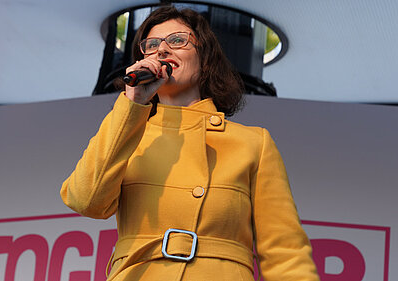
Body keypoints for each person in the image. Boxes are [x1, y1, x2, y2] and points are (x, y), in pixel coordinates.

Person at [61, 6, 319, 281]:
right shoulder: (127, 135)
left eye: (176, 41)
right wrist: (133, 104)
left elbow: (285, 252)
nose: (162, 51)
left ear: (204, 59)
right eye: (151, 45)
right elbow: (85, 200)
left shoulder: (252, 143)